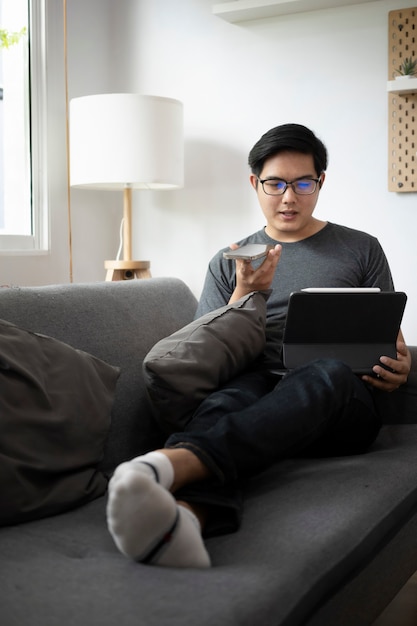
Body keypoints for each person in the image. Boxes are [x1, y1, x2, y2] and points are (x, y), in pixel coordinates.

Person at [106, 123, 411, 568]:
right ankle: (188, 518)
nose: (289, 197)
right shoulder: (231, 259)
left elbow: (388, 339)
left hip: (341, 402)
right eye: (275, 184)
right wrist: (244, 298)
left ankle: (170, 463)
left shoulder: (361, 249)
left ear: (320, 182)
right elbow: (209, 355)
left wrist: (397, 368)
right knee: (224, 401)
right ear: (255, 184)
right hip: (259, 388)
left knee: (325, 371)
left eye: (303, 183)